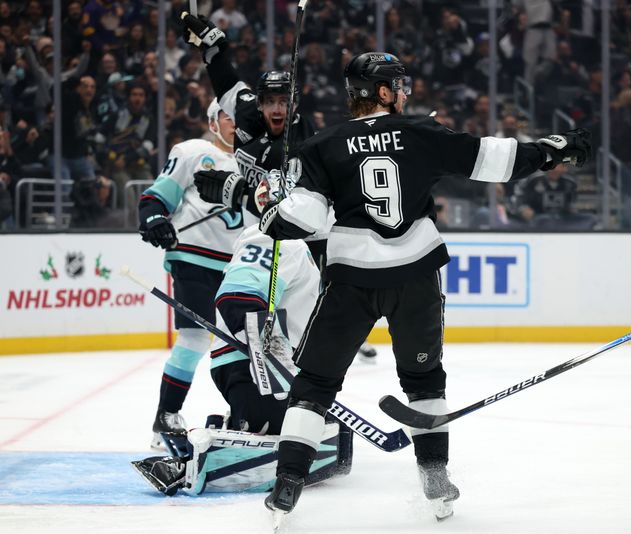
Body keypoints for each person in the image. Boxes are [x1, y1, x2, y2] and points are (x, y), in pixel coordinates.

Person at [255, 52, 591, 521]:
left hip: (350, 278)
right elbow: (496, 161)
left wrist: (273, 212)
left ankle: (288, 481)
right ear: (385, 93)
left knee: (315, 382)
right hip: (415, 276)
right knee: (424, 378)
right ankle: (435, 476)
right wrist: (553, 149)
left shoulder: (321, 145)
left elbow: (303, 218)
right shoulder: (420, 132)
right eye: (399, 85)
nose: (406, 92)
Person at [181, 12, 378, 360]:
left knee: (314, 305)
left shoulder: (304, 143)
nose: (277, 108)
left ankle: (314, 357)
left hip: (309, 231)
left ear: (295, 104)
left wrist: (236, 190)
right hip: (264, 232)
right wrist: (213, 48)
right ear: (258, 104)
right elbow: (226, 83)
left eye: (284, 101)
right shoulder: (245, 112)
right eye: (270, 101)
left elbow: (284, 206)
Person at [133, 214, 353, 498]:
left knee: (335, 442)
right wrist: (270, 346)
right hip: (252, 369)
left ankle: (240, 423)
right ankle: (191, 463)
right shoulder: (277, 237)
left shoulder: (300, 248)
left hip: (271, 369)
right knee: (309, 447)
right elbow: (237, 296)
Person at [137, 99, 242, 447]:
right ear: (213, 122)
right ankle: (165, 417)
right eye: (228, 116)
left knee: (249, 344)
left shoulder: (259, 163)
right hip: (195, 257)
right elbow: (156, 198)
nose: (235, 122)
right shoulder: (193, 151)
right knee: (195, 339)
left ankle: (246, 412)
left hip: (243, 265)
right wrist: (153, 218)